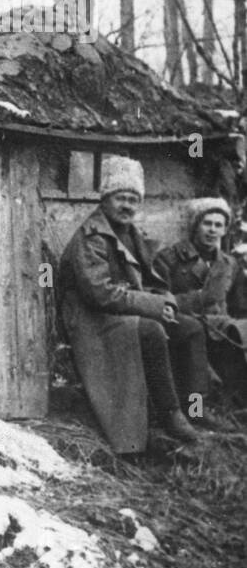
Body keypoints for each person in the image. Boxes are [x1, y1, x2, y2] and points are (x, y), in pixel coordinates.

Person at [58, 156, 210, 451]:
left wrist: (163, 299)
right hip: (92, 320)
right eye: (120, 198)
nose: (127, 205)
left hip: (123, 310)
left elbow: (147, 280)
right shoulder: (92, 237)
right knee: (151, 329)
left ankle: (195, 410)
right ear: (105, 199)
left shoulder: (131, 234)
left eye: (133, 199)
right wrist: (152, 306)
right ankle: (169, 414)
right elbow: (99, 294)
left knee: (190, 328)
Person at [153, 198, 247, 414]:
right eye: (207, 223)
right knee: (198, 375)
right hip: (186, 331)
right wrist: (195, 299)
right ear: (195, 225)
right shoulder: (169, 259)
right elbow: (158, 296)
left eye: (218, 225)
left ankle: (237, 406)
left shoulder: (229, 264)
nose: (212, 230)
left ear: (224, 230)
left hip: (221, 333)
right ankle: (197, 411)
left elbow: (240, 305)